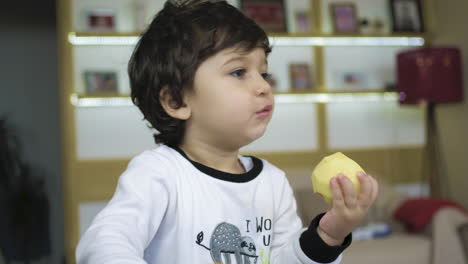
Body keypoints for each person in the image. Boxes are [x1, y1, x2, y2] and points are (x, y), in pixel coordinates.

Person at [76, 0, 379, 263]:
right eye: (238, 72)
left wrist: (328, 233)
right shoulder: (158, 174)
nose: (263, 86)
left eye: (264, 73)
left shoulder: (272, 182)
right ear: (176, 100)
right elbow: (104, 243)